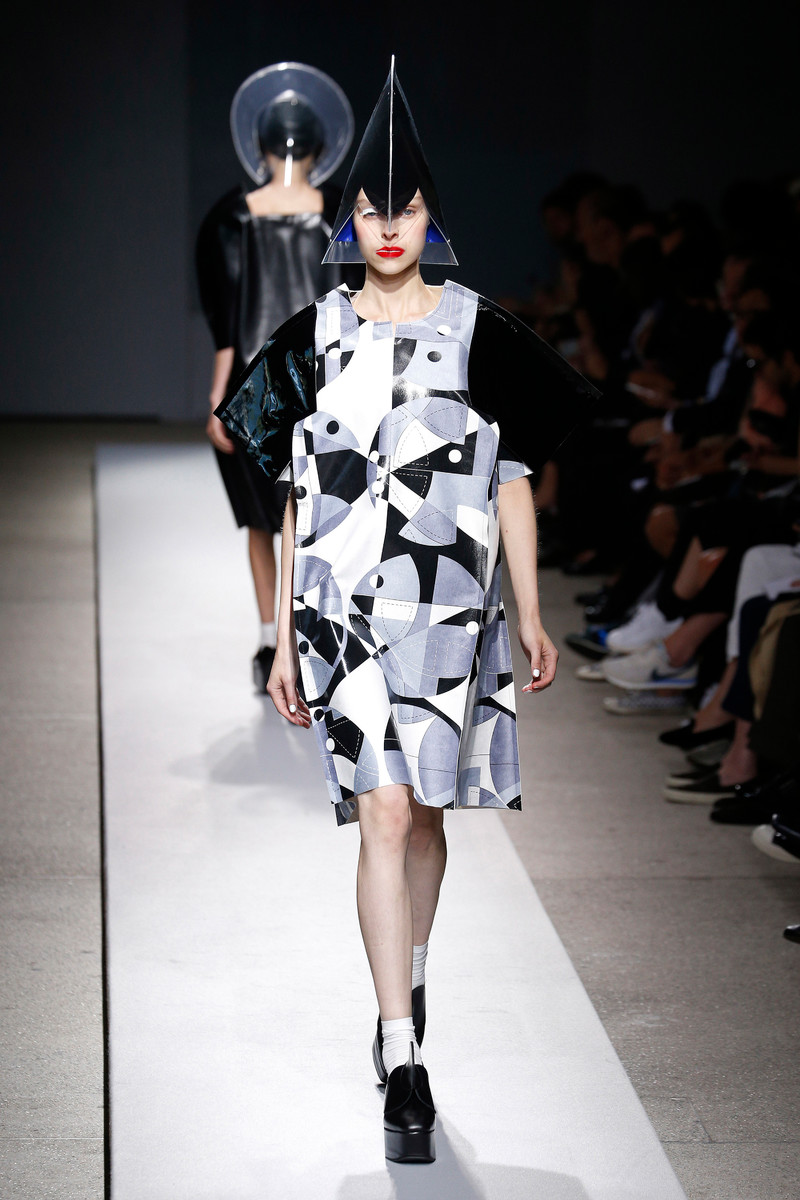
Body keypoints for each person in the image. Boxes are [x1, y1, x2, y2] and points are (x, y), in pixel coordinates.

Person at [216, 60, 598, 1165]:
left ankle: (409, 979)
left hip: (448, 610)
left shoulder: (482, 333)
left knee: (426, 815)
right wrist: (281, 637)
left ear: (432, 220)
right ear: (352, 219)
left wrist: (531, 613)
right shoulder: (311, 337)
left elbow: (512, 475)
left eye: (409, 208)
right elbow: (296, 489)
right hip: (341, 612)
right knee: (382, 813)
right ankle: (401, 1054)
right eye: (374, 210)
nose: (389, 227)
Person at [196, 62, 354, 690]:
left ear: (258, 145)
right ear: (321, 146)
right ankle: (315, 643)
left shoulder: (231, 216)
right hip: (328, 385)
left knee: (264, 521)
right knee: (321, 518)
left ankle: (271, 642)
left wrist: (219, 395)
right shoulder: (343, 214)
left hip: (254, 392)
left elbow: (226, 321)